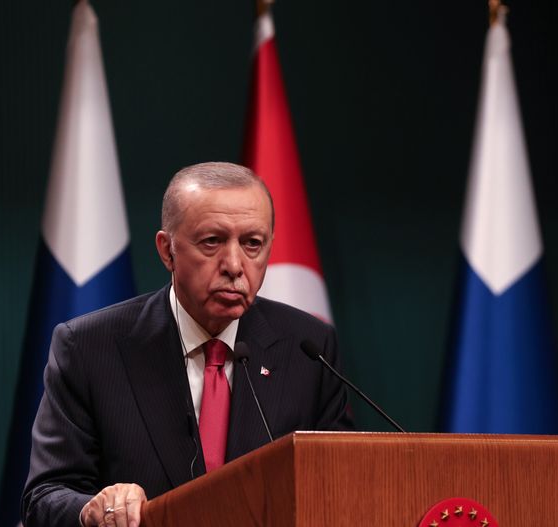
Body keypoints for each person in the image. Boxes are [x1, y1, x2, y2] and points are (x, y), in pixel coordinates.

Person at [21, 162, 353, 527]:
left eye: (252, 244)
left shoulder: (308, 348)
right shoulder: (89, 348)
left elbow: (340, 485)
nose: (234, 265)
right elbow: (44, 498)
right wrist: (93, 510)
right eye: (212, 241)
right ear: (167, 250)